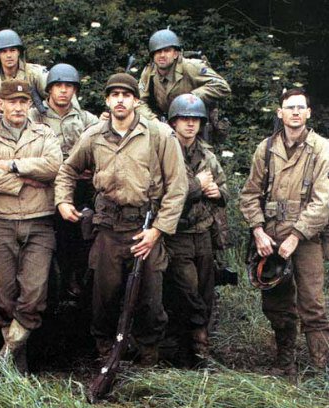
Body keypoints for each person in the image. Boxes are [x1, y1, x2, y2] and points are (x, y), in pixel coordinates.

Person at [55, 73, 188, 366]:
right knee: (104, 296)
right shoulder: (94, 135)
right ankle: (107, 353)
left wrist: (157, 231)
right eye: (114, 95)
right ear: (107, 100)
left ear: (136, 101)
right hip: (108, 228)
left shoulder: (159, 135)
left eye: (126, 95)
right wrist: (63, 200)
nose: (120, 100)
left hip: (145, 228)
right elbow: (67, 170)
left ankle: (148, 355)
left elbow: (177, 186)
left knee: (150, 298)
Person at [0, 79, 62, 371]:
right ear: (0, 104)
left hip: (39, 222)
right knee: (5, 298)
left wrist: (13, 166)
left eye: (23, 102)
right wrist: (24, 182)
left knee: (34, 296)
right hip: (2, 222)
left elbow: (54, 166)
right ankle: (17, 368)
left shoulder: (44, 133)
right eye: (12, 101)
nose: (18, 107)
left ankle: (3, 361)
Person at [239, 88, 329, 375]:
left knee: (312, 303)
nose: (295, 112)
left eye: (300, 107)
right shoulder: (266, 149)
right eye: (290, 107)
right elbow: (249, 194)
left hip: (307, 238)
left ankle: (320, 367)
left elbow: (323, 201)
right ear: (280, 113)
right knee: (276, 303)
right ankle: (284, 360)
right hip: (271, 237)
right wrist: (257, 230)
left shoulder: (322, 149)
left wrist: (296, 235)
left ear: (309, 113)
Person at [163, 94, 228, 367]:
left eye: (195, 120)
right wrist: (198, 186)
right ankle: (192, 346)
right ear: (174, 122)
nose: (190, 124)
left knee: (205, 291)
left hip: (204, 233)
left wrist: (217, 192)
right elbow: (166, 194)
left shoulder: (207, 155)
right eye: (184, 119)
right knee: (187, 292)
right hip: (177, 233)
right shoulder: (166, 152)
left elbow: (224, 187)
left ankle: (198, 351)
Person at [28, 63, 99, 300]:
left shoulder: (86, 119)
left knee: (81, 230)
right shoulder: (34, 115)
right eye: (58, 85)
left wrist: (89, 168)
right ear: (49, 89)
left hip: (77, 186)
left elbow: (100, 149)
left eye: (69, 86)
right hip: (43, 183)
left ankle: (75, 278)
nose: (63, 90)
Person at [137, 29, 231, 123]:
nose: (162, 55)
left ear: (175, 54)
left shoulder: (191, 67)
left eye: (167, 51)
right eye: (158, 51)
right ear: (153, 55)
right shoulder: (149, 72)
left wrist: (191, 97)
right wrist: (154, 121)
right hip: (165, 123)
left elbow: (222, 86)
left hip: (194, 122)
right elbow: (139, 102)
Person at [0, 29, 48, 112]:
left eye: (12, 50)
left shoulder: (35, 74)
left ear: (19, 52)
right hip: (0, 119)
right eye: (4, 51)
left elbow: (53, 98)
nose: (9, 55)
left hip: (32, 118)